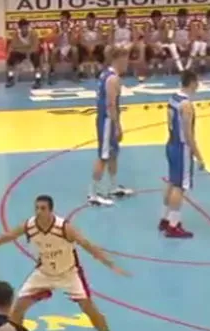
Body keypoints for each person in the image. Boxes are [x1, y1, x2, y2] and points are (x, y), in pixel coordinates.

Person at [0, 195, 130, 331]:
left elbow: (86, 244)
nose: (39, 212)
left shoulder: (64, 227)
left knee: (89, 308)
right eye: (37, 208)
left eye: (43, 208)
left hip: (69, 273)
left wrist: (109, 263)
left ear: (51, 210)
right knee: (18, 308)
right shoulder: (29, 225)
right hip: (44, 273)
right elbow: (8, 236)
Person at [159, 71, 204, 238]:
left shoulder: (173, 98)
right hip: (182, 148)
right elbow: (188, 134)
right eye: (197, 82)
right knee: (180, 187)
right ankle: (173, 225)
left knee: (172, 182)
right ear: (192, 83)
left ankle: (165, 219)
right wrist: (199, 156)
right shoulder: (186, 105)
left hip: (171, 143)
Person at [89, 47, 134, 206]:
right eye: (126, 59)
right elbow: (111, 105)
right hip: (107, 121)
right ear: (118, 59)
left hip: (106, 119)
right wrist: (117, 125)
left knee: (113, 154)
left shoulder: (106, 74)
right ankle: (93, 194)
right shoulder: (112, 79)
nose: (127, 63)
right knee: (104, 156)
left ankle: (113, 187)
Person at [6, 19, 42, 89]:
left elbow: (35, 46)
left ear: (28, 27)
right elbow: (14, 45)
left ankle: (38, 80)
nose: (24, 30)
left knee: (36, 59)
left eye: (26, 27)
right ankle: (10, 78)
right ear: (20, 28)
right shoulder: (16, 34)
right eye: (22, 28)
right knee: (10, 59)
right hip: (20, 52)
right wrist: (24, 48)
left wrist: (28, 52)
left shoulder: (33, 33)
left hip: (31, 52)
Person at [48, 11, 78, 83]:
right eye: (61, 18)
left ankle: (75, 71)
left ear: (68, 19)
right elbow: (54, 41)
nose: (62, 20)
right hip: (59, 45)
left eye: (64, 18)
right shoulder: (56, 26)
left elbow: (74, 42)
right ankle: (52, 72)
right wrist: (60, 33)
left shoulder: (72, 26)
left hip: (69, 45)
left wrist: (69, 32)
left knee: (75, 50)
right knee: (54, 52)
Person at [166, 8, 200, 73]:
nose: (182, 19)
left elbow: (194, 37)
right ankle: (180, 68)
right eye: (181, 17)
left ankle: (187, 67)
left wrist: (188, 43)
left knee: (197, 44)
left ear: (186, 17)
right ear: (178, 17)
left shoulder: (190, 23)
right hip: (177, 45)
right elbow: (169, 37)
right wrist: (178, 45)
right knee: (171, 45)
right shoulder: (173, 23)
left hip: (186, 44)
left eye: (184, 17)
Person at [77, 12, 105, 78]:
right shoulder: (83, 29)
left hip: (95, 47)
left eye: (91, 21)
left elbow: (100, 40)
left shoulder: (98, 29)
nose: (90, 22)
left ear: (94, 21)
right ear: (86, 21)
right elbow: (81, 40)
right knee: (79, 47)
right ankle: (81, 71)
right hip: (85, 47)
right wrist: (87, 46)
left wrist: (93, 46)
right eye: (88, 21)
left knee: (101, 47)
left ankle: (100, 70)